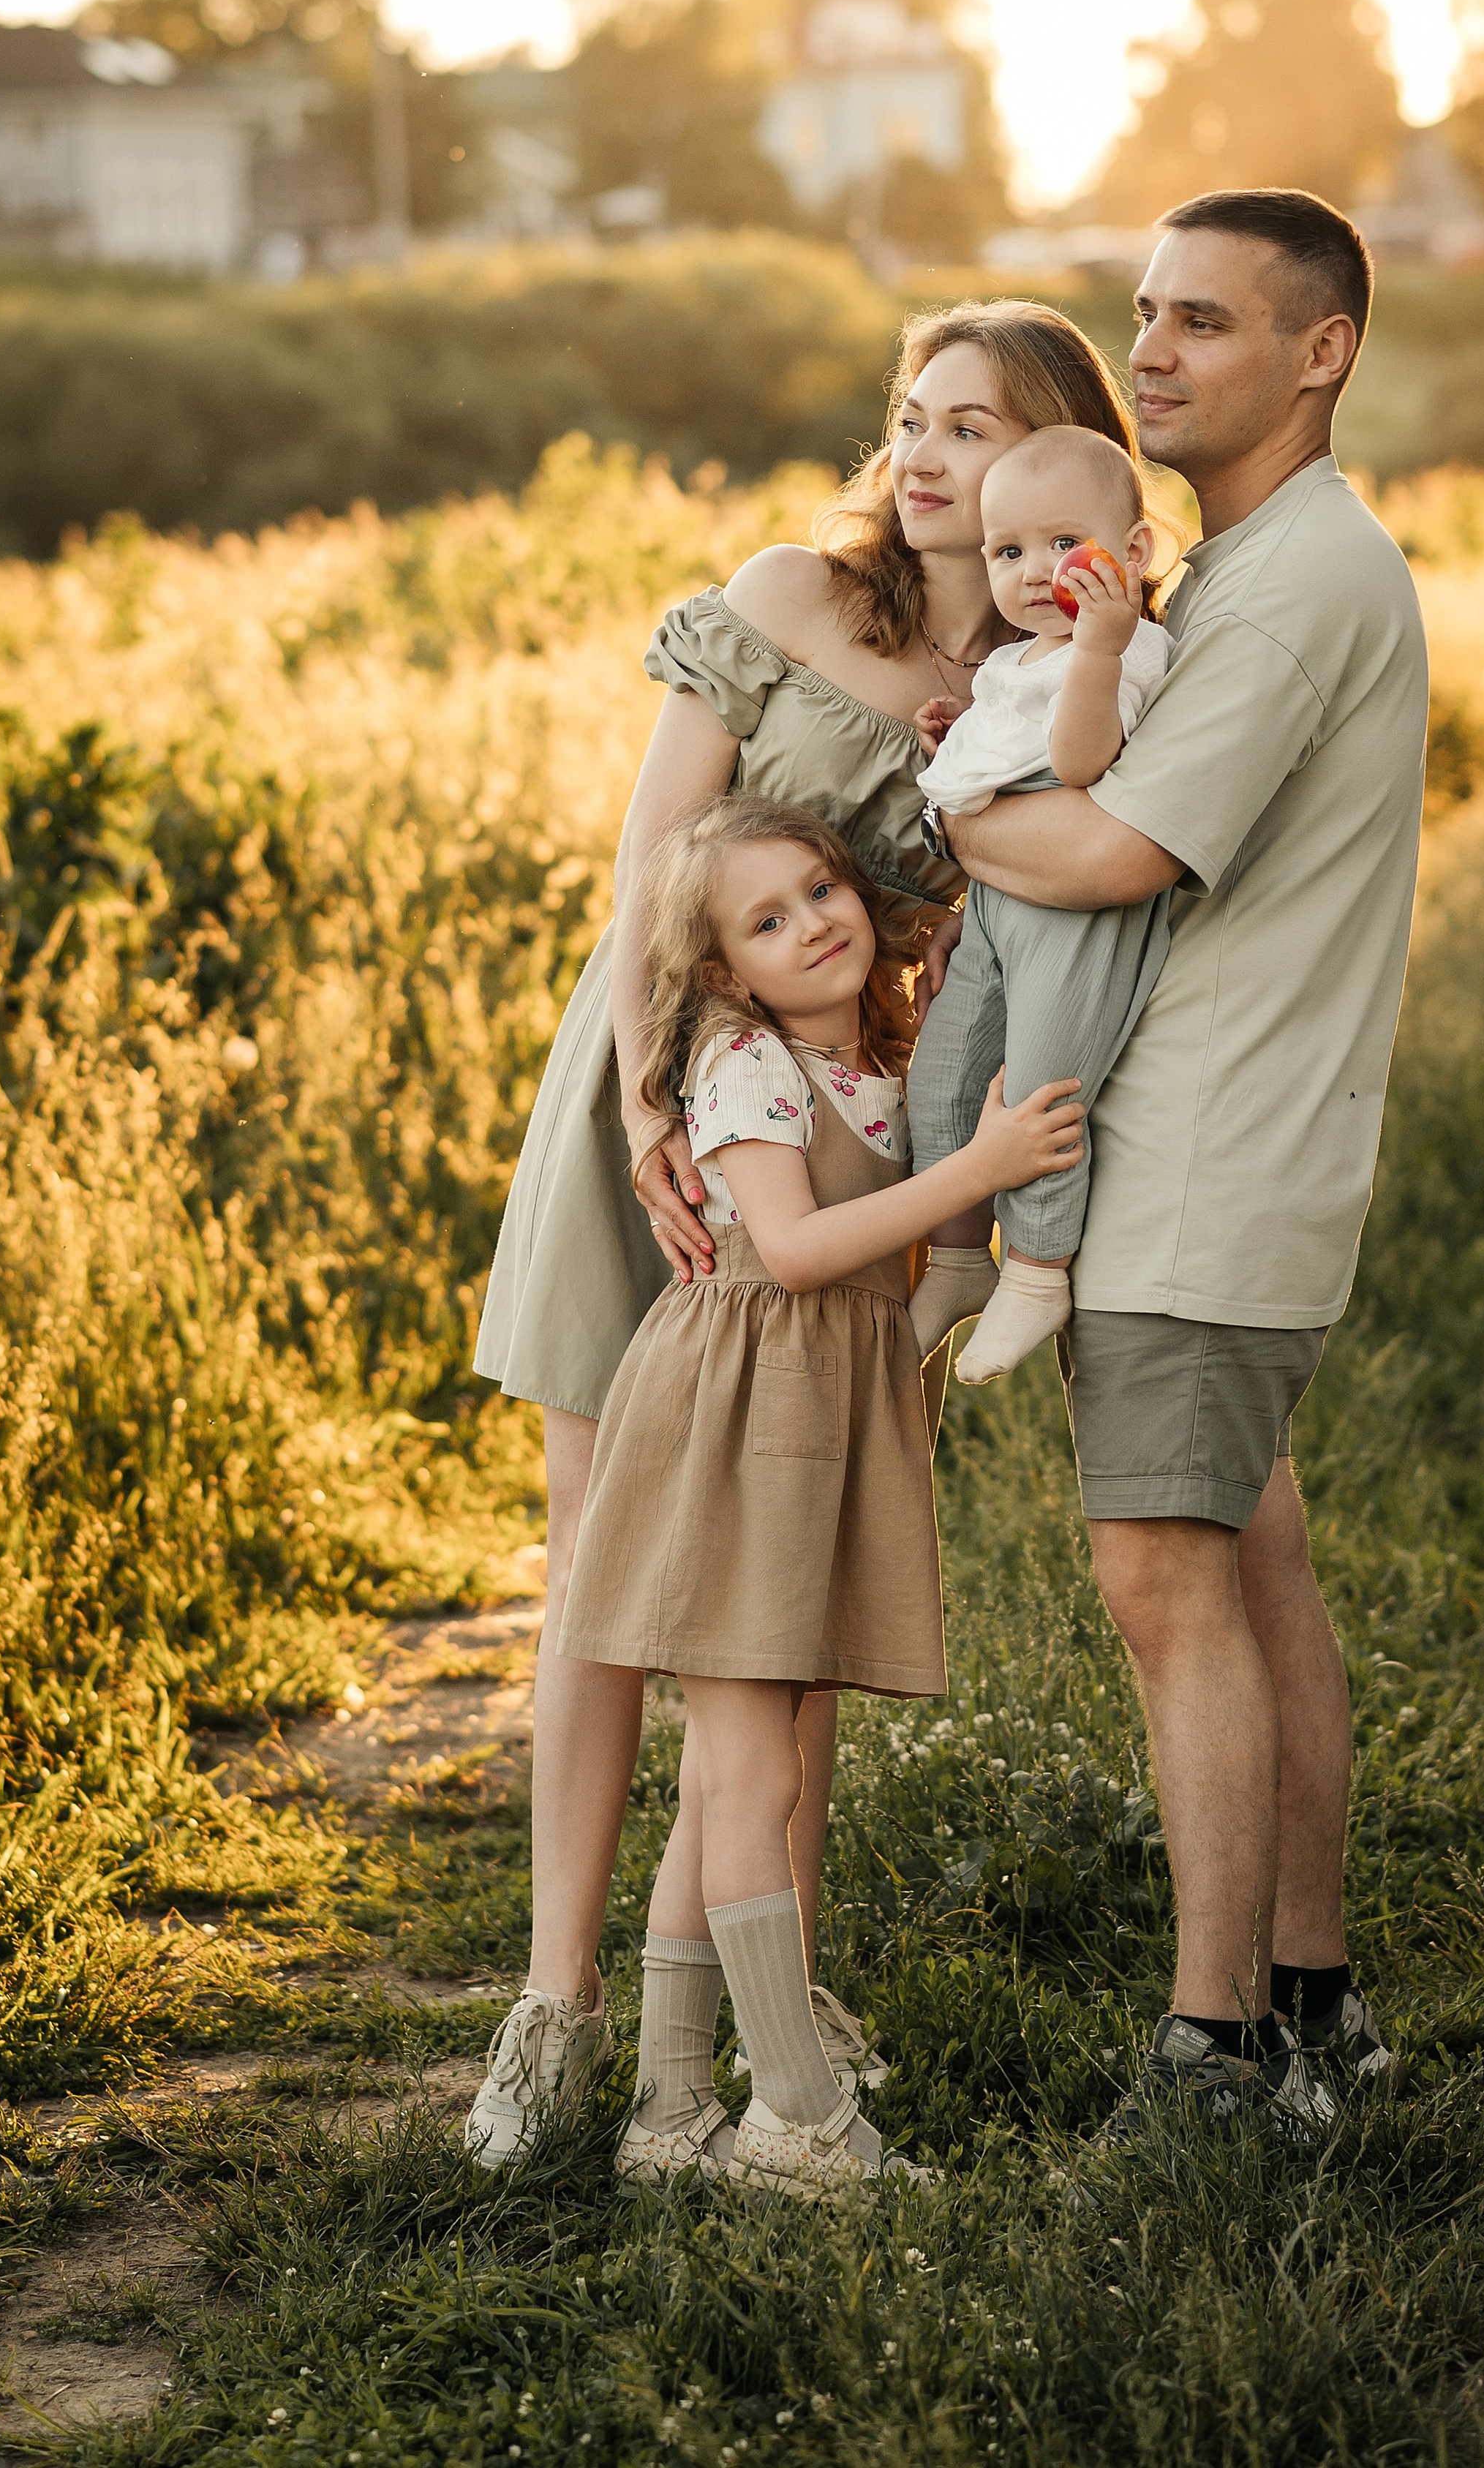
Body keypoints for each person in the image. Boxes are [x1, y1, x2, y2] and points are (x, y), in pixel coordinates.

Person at [463, 299, 1144, 2167]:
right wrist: (641, 1101)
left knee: (786, 1575)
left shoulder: (1040, 683)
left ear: (1049, 457)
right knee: (600, 1564)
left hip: (840, 1143)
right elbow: (652, 859)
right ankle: (551, 2014)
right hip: (657, 1087)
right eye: (909, 416)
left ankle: (754, 2027)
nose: (921, 456)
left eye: (971, 428)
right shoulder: (785, 596)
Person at [942, 188, 1429, 2146]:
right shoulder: (1230, 569)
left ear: (1321, 352)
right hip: (1213, 1146)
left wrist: (940, 802)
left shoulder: (1297, 580)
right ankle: (1310, 2009)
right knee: (1247, 1566)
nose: (1148, 350)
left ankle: (1212, 2056)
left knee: (1163, 1582)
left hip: (1203, 1161)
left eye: (1203, 320)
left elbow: (1114, 851)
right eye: (1143, 311)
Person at [557, 797, 1082, 2191]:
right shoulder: (744, 1066)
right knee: (757, 1770)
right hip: (738, 1421)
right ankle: (800, 2119)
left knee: (729, 1770)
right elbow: (790, 1250)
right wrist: (976, 1171)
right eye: (767, 920)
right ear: (723, 972)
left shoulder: (865, 1056)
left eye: (822, 890)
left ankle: (670, 2112)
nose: (812, 926)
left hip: (801, 1421)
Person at [908, 424, 1174, 1383]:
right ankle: (954, 1262)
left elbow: (1077, 759)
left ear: (1133, 552)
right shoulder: (1017, 660)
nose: (1033, 572)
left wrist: (1099, 647)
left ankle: (1036, 1270)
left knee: (1042, 1095)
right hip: (994, 904)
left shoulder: (1126, 650)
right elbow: (1019, 737)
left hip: (1071, 913)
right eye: (1006, 550)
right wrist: (965, 736)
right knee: (941, 1078)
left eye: (1064, 543)